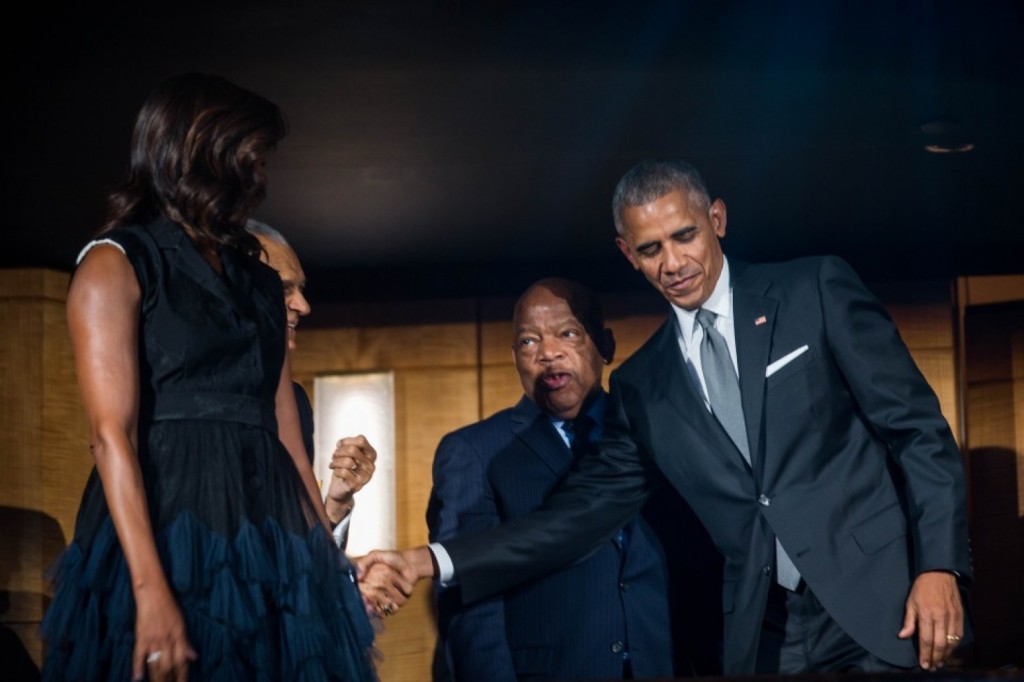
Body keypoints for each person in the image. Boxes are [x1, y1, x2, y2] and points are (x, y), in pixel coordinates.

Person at [359, 159, 972, 675]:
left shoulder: (814, 289)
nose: (673, 262)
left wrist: (939, 565)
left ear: (717, 220)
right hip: (767, 636)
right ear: (628, 254)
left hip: (885, 605)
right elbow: (574, 519)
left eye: (684, 236)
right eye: (651, 249)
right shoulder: (641, 385)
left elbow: (917, 430)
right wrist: (428, 560)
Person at [41, 73, 376, 681]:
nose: (260, 177)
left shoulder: (256, 280)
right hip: (167, 534)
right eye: (250, 157)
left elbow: (288, 439)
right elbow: (110, 435)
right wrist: (150, 593)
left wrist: (330, 569)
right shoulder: (116, 263)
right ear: (202, 153)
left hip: (263, 538)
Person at [429, 278, 673, 681]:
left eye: (568, 333)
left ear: (605, 346)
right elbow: (471, 605)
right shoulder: (474, 452)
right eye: (528, 342)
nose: (548, 353)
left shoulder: (654, 433)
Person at [246, 220, 409, 617]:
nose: (302, 305)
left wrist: (335, 504)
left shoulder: (295, 404)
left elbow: (296, 542)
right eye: (285, 289)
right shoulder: (186, 404)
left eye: (301, 289)